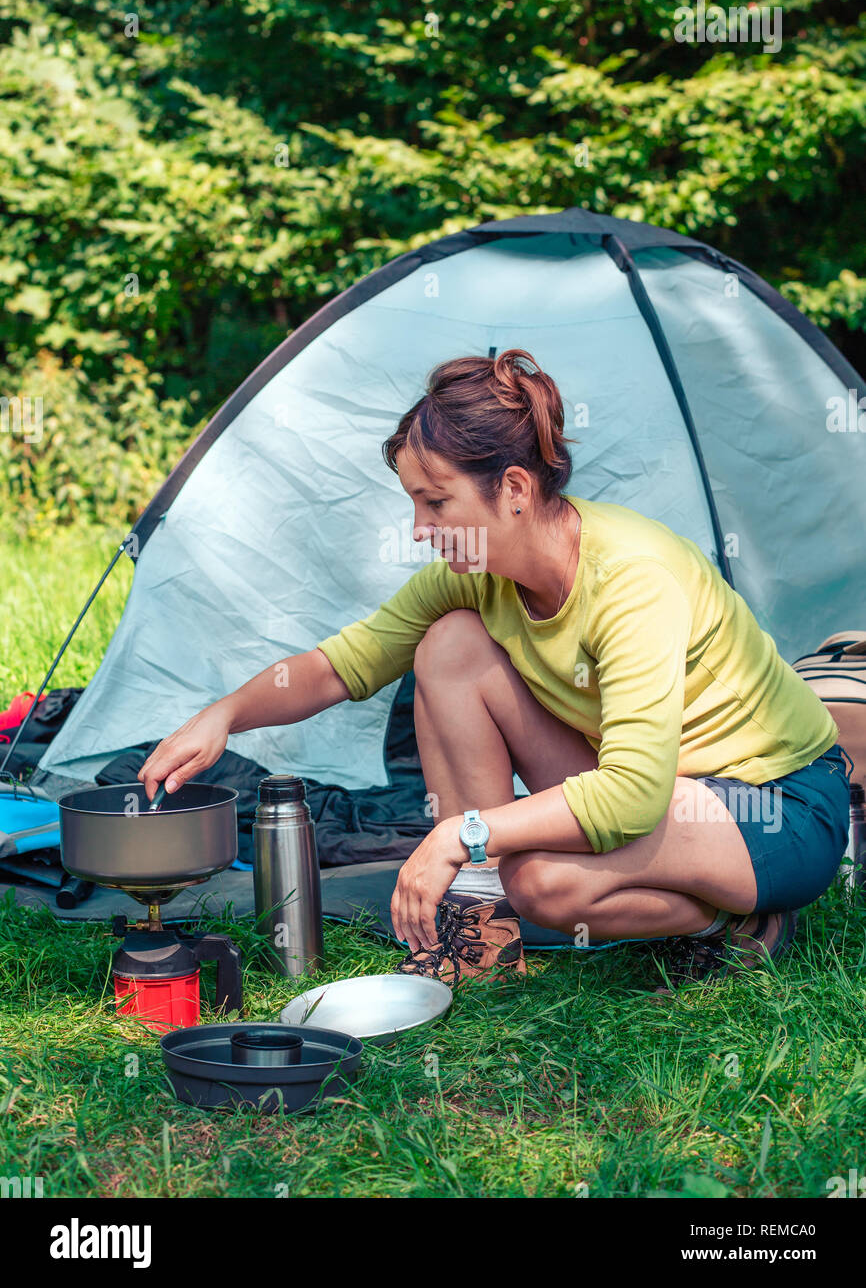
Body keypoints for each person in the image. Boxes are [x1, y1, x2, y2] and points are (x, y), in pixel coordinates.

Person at [138, 348, 852, 994]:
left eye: (436, 501)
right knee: (448, 645)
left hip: (773, 803)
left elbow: (633, 794)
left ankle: (739, 924)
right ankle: (482, 929)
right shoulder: (478, 574)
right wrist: (224, 714)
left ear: (513, 487)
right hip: (654, 787)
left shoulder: (632, 579)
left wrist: (461, 834)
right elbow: (342, 665)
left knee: (541, 883)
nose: (419, 528)